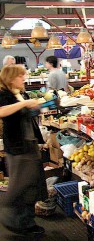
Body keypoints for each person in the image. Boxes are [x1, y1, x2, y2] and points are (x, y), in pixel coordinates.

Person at [0, 65, 47, 235]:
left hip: (28, 145)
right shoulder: (5, 95)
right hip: (18, 147)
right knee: (21, 185)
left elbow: (23, 115)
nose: (24, 78)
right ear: (11, 78)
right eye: (21, 76)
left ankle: (26, 222)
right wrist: (25, 104)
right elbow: (2, 111)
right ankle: (11, 218)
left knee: (31, 184)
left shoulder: (18, 93)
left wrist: (35, 108)